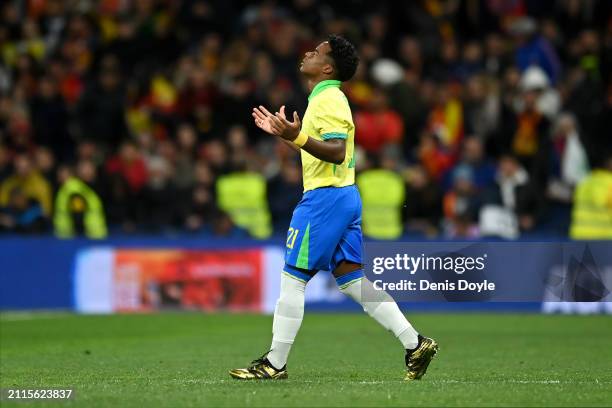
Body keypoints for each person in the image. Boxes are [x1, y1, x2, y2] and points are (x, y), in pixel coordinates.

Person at [229, 35, 438, 381]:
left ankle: (275, 363)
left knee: (293, 278)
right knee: (352, 280)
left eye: (317, 51)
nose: (308, 51)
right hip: (343, 194)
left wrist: (295, 137)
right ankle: (414, 343)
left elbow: (337, 150)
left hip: (325, 198)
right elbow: (322, 149)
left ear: (327, 67)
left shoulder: (330, 99)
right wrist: (286, 134)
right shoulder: (323, 99)